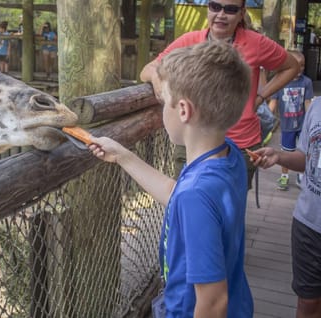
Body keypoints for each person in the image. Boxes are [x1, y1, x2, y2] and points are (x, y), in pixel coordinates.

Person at [90, 41, 253, 317]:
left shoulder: (196, 194)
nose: (162, 110)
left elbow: (213, 302)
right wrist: (122, 156)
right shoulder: (227, 157)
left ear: (183, 110)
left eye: (163, 102)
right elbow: (175, 193)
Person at [140, 0, 300, 188]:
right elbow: (148, 69)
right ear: (208, 8)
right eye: (215, 7)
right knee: (184, 198)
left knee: (229, 205)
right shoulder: (190, 40)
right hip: (193, 140)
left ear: (242, 13)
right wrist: (160, 85)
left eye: (230, 10)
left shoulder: (256, 43)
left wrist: (260, 97)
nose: (221, 14)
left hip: (240, 142)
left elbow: (292, 66)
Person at [252, 98, 321, 318]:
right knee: (307, 301)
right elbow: (306, 158)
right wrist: (279, 156)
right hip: (309, 224)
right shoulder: (317, 107)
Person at [268, 50, 314, 191]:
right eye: (296, 65)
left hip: (302, 125)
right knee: (286, 152)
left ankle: (301, 175)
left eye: (302, 66)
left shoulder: (306, 82)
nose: (299, 69)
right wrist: (266, 121)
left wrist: (311, 123)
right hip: (287, 125)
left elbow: (307, 103)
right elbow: (273, 104)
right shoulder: (279, 82)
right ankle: (284, 176)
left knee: (304, 151)